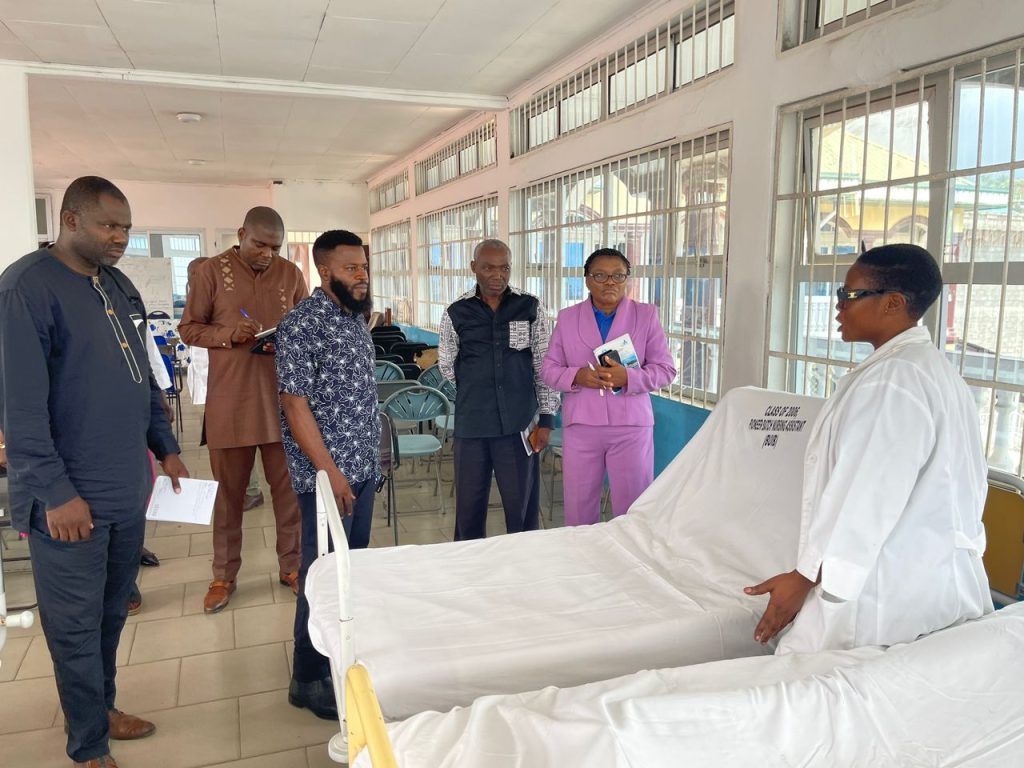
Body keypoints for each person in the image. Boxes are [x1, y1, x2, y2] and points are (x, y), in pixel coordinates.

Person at [0, 176, 190, 767]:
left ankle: (102, 708)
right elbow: (19, 410)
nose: (120, 238)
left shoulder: (117, 284)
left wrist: (165, 445)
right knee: (74, 627)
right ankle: (88, 746)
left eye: (126, 228)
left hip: (125, 490)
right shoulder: (26, 289)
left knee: (110, 614)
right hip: (68, 502)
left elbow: (143, 377)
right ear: (70, 220)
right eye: (109, 225)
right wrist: (56, 493)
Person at [746, 243, 992, 654]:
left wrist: (803, 578)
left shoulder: (895, 380)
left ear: (893, 303)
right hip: (926, 578)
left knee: (819, 677)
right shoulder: (929, 370)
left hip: (887, 591)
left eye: (849, 294)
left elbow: (865, 495)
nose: (838, 305)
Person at [179, 207, 308, 613]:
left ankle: (293, 567)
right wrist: (229, 335)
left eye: (275, 247)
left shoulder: (291, 274)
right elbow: (189, 328)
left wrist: (288, 339)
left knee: (289, 495)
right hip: (231, 402)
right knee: (229, 498)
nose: (268, 254)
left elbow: (307, 328)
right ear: (241, 234)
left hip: (282, 402)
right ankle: (224, 576)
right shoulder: (211, 272)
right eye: (260, 244)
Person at [276, 230, 381, 719]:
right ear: (324, 271)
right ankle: (307, 676)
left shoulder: (356, 319)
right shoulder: (302, 324)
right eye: (351, 268)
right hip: (326, 478)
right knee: (321, 573)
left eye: (364, 266)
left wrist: (370, 463)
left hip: (361, 467)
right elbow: (295, 406)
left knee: (350, 570)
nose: (362, 276)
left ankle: (339, 657)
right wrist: (331, 474)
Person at [540, 247, 675, 524]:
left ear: (627, 279)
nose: (610, 282)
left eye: (618, 275)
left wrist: (630, 378)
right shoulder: (568, 318)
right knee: (579, 507)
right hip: (582, 426)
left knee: (633, 509)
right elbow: (548, 370)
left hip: (631, 427)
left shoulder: (645, 316)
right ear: (587, 280)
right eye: (600, 275)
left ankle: (630, 552)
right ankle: (582, 551)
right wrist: (577, 376)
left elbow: (666, 370)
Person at [438, 239, 559, 540]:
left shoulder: (529, 307)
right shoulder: (456, 312)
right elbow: (447, 365)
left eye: (504, 268)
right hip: (472, 425)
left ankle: (522, 563)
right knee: (468, 509)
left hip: (519, 426)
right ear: (473, 268)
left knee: (522, 509)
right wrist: (481, 387)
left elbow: (544, 365)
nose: (498, 275)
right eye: (488, 268)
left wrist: (546, 418)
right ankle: (470, 563)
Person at [185, 256, 263, 512]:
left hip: (229, 384)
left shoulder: (227, 306)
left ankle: (249, 490)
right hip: (206, 385)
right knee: (221, 443)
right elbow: (190, 334)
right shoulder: (196, 309)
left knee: (239, 437)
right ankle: (232, 489)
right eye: (196, 277)